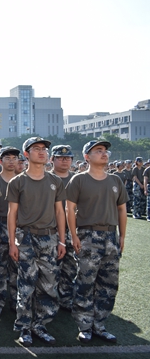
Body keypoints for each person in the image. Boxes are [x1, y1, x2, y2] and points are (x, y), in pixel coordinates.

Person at [7, 137, 67, 347]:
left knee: (48, 285)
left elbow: (60, 212)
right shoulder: (18, 182)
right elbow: (12, 214)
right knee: (26, 286)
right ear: (26, 154)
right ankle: (25, 327)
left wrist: (62, 241)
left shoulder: (55, 182)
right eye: (36, 149)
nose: (42, 152)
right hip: (26, 238)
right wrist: (12, 243)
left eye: (44, 149)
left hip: (50, 238)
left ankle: (40, 325)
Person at [66, 140, 127, 343]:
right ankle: (84, 326)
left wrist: (122, 236)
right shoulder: (79, 180)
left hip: (110, 236)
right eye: (98, 151)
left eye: (105, 151)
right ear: (87, 157)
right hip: (88, 236)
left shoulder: (115, 180)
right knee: (85, 282)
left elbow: (121, 209)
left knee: (109, 284)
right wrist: (74, 235)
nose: (104, 153)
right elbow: (70, 208)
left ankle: (99, 325)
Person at [0, 146, 20, 318]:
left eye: (14, 158)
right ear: (0, 161)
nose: (11, 161)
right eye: (7, 158)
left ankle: (15, 302)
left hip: (19, 227)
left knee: (17, 267)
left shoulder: (22, 180)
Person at [50, 145, 77, 312]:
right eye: (60, 157)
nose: (65, 160)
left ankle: (65, 298)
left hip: (72, 229)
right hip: (51, 229)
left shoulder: (77, 179)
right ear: (52, 159)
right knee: (52, 267)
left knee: (70, 266)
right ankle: (50, 297)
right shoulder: (46, 178)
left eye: (68, 157)